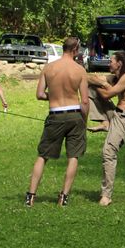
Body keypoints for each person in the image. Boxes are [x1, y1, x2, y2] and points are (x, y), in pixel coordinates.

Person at [26, 37, 89, 207]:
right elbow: (84, 101)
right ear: (75, 50)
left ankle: (31, 196)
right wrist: (85, 120)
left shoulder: (49, 68)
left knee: (43, 155)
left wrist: (53, 97)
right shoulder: (79, 70)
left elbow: (39, 94)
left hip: (55, 115)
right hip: (75, 114)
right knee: (73, 156)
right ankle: (63, 197)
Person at [87, 51, 125, 206]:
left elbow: (108, 94)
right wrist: (96, 80)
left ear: (119, 64)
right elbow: (89, 79)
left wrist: (102, 84)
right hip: (116, 114)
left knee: (108, 152)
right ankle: (105, 122)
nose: (108, 63)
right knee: (91, 85)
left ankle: (106, 195)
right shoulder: (115, 77)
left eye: (111, 61)